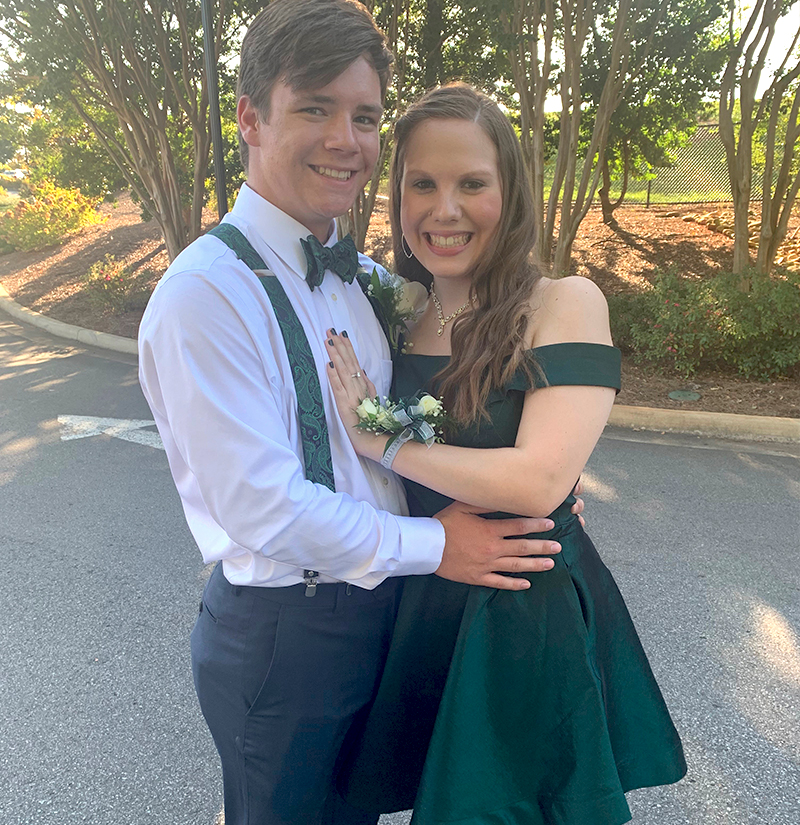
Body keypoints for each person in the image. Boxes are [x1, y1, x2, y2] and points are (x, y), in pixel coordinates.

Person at [137, 4, 578, 824]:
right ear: (250, 119)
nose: (346, 139)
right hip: (288, 636)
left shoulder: (368, 282)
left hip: (386, 612)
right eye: (315, 108)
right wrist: (440, 543)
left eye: (366, 117)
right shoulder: (204, 294)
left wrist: (533, 482)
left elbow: (423, 424)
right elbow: (264, 506)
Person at [325, 83, 687, 825]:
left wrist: (383, 440)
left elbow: (538, 481)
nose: (444, 209)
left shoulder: (563, 302)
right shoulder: (395, 311)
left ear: (510, 191)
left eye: (471, 184)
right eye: (422, 184)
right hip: (428, 601)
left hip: (522, 613)